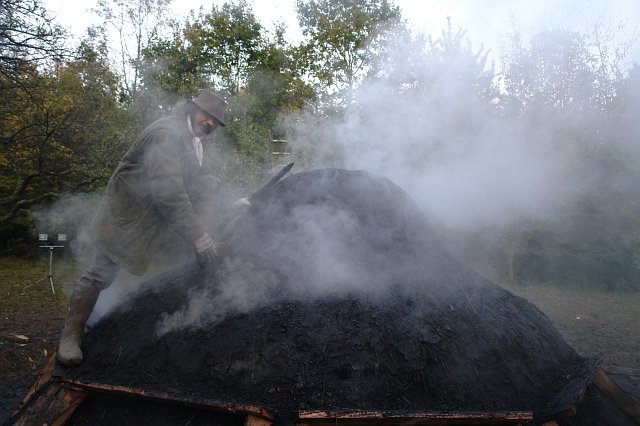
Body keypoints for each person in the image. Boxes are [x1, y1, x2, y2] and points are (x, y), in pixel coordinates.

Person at [57, 90, 243, 366]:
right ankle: (71, 336)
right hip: (126, 216)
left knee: (210, 183)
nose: (211, 124)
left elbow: (198, 182)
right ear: (192, 110)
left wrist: (230, 205)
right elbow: (170, 193)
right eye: (208, 117)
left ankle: (106, 322)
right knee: (100, 273)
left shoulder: (192, 140)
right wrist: (198, 236)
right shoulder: (166, 135)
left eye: (216, 121)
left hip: (149, 217)